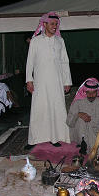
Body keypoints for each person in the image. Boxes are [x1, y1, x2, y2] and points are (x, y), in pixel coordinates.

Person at [25, 12, 72, 150]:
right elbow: (30, 62)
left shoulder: (60, 41)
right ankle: (34, 139)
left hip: (57, 81)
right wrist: (29, 80)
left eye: (56, 24)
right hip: (40, 82)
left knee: (56, 108)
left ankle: (55, 137)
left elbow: (65, 62)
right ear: (44, 24)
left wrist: (67, 81)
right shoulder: (35, 41)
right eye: (52, 24)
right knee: (39, 109)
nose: (55, 26)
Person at [67, 78, 99, 156]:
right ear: (84, 92)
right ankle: (84, 144)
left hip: (95, 133)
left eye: (93, 92)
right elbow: (69, 123)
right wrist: (78, 114)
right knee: (81, 120)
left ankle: (87, 147)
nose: (91, 95)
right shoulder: (77, 103)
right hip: (80, 133)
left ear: (97, 92)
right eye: (88, 92)